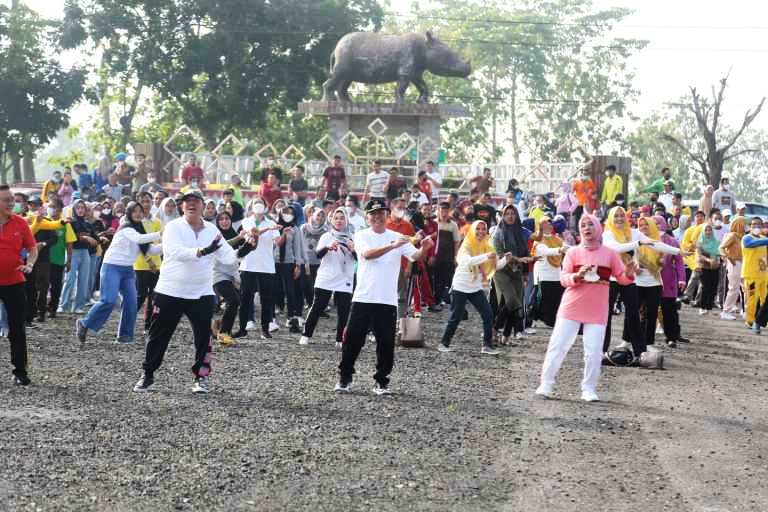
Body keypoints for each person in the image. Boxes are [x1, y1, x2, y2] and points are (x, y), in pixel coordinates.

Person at [133, 190, 238, 394]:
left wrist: (247, 248)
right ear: (182, 206)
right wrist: (203, 251)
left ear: (202, 206)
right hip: (170, 290)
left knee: (203, 338)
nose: (191, 204)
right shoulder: (173, 227)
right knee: (158, 336)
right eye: (187, 201)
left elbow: (227, 257)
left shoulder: (211, 230)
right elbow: (174, 252)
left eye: (196, 201)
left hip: (201, 292)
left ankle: (201, 377)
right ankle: (148, 374)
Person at [335, 199, 433, 394]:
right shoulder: (362, 235)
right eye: (373, 213)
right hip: (363, 296)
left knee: (386, 343)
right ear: (368, 217)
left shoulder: (397, 236)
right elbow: (367, 255)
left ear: (386, 215)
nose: (378, 217)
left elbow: (416, 256)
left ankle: (381, 381)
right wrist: (392, 246)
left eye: (381, 213)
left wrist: (426, 247)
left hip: (387, 299)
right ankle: (345, 378)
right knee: (353, 340)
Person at [535, 214, 637, 402]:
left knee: (593, 351)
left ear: (598, 228)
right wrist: (577, 276)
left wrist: (629, 274)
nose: (587, 228)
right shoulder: (573, 252)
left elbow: (622, 278)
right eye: (583, 225)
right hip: (571, 307)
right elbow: (563, 279)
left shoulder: (610, 254)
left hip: (597, 309)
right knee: (558, 347)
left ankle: (588, 388)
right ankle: (546, 384)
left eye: (591, 224)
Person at [75, 202, 162, 344]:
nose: (138, 213)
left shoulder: (140, 230)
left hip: (128, 270)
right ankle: (84, 324)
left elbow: (151, 250)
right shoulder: (126, 228)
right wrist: (161, 234)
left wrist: (169, 243)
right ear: (128, 213)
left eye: (140, 211)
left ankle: (125, 336)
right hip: (112, 267)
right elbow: (139, 239)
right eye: (134, 211)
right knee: (108, 300)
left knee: (131, 302)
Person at [602, 206, 681, 358]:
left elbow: (653, 243)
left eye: (621, 215)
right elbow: (616, 249)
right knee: (606, 315)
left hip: (629, 279)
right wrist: (638, 243)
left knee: (633, 314)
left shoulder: (633, 233)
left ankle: (640, 351)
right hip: (611, 279)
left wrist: (677, 251)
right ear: (611, 218)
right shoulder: (608, 234)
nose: (619, 218)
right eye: (616, 216)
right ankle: (602, 350)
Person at [438, 220, 508, 354]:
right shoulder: (466, 245)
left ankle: (487, 345)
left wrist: (506, 260)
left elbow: (495, 266)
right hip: (461, 285)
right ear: (473, 230)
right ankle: (444, 343)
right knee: (456, 316)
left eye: (484, 229)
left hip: (475, 287)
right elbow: (467, 261)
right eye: (478, 229)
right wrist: (487, 256)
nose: (481, 232)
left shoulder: (487, 245)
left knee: (488, 314)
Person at [299, 207, 356, 347]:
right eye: (336, 218)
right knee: (318, 305)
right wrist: (328, 247)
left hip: (345, 277)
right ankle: (306, 335)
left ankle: (339, 339)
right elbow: (318, 255)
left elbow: (358, 258)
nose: (339, 221)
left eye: (342, 218)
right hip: (327, 276)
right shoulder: (326, 236)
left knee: (343, 309)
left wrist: (352, 249)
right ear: (331, 220)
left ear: (346, 220)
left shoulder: (353, 237)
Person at [0, 185, 38, 385]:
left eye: (11, 200)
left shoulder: (20, 223)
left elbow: (32, 249)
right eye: (5, 200)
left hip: (14, 281)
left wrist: (29, 264)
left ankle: (20, 371)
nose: (10, 203)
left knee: (17, 328)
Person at [235, 199, 281, 339]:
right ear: (252, 206)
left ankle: (265, 329)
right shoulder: (247, 221)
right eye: (256, 203)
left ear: (266, 207)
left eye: (261, 203)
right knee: (245, 298)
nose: (259, 205)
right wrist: (268, 229)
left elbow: (277, 240)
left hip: (266, 266)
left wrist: (281, 236)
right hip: (248, 265)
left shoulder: (272, 223)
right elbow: (254, 233)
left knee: (266, 299)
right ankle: (242, 328)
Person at [492, 204, 533, 344]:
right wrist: (519, 259)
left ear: (516, 216)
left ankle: (506, 336)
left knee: (514, 305)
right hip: (501, 271)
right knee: (512, 301)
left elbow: (525, 252)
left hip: (517, 271)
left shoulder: (520, 232)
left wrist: (526, 271)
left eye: (513, 213)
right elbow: (499, 254)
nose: (510, 216)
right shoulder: (498, 232)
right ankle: (495, 329)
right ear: (503, 216)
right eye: (507, 213)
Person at [653, 215, 689, 347]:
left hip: (668, 281)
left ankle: (672, 337)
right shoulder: (646, 240)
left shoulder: (672, 241)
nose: (656, 226)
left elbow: (679, 262)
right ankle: (645, 338)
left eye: (658, 223)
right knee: (647, 310)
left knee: (669, 310)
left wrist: (682, 279)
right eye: (653, 223)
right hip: (649, 280)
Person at [58, 199, 97, 314]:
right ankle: (63, 305)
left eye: (83, 208)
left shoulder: (88, 224)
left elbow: (95, 239)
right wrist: (84, 238)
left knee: (83, 280)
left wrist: (98, 239)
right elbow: (70, 238)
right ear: (74, 209)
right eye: (78, 208)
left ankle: (78, 306)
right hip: (73, 252)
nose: (80, 210)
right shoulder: (71, 222)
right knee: (69, 279)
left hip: (85, 253)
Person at [134, 192, 162, 335]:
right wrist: (149, 260)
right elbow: (140, 244)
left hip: (157, 263)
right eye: (143, 201)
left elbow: (160, 242)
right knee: (141, 295)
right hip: (141, 264)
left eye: (148, 201)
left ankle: (148, 324)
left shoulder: (157, 222)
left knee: (154, 296)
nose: (146, 204)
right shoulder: (137, 223)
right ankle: (128, 320)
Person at [532, 216, 568, 328]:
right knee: (541, 299)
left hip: (556, 273)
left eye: (550, 223)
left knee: (556, 298)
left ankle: (551, 320)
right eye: (546, 222)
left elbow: (567, 248)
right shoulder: (538, 238)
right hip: (543, 274)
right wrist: (559, 250)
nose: (549, 224)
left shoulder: (557, 239)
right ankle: (530, 319)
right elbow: (544, 251)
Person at [273, 205, 304, 333]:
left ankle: (290, 316)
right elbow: (273, 244)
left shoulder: (295, 229)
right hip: (274, 261)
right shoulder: (275, 227)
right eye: (285, 212)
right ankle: (272, 318)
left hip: (288, 262)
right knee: (274, 289)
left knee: (290, 290)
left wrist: (298, 265)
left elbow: (297, 247)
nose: (287, 215)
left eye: (290, 213)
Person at [741, 217, 768, 334]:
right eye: (754, 225)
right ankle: (750, 321)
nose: (756, 227)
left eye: (759, 225)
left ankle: (763, 320)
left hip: (764, 274)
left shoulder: (764, 238)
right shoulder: (746, 238)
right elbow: (750, 244)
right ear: (750, 227)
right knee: (752, 299)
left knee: (765, 299)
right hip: (750, 275)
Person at [431, 202, 461, 306]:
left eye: (446, 211)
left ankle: (439, 299)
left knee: (445, 278)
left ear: (449, 212)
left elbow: (457, 241)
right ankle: (434, 299)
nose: (444, 213)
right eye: (442, 211)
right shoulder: (434, 223)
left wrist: (455, 257)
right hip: (435, 255)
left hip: (448, 256)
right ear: (438, 211)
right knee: (434, 278)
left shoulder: (453, 225)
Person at [719, 216, 746, 319]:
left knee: (745, 288)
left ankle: (745, 311)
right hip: (734, 263)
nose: (745, 226)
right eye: (743, 224)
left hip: (743, 264)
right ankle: (726, 311)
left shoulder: (742, 237)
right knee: (733, 288)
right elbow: (721, 248)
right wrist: (728, 258)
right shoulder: (733, 236)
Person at [696, 224, 721, 316]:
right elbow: (699, 255)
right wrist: (708, 260)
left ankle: (709, 307)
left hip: (715, 267)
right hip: (704, 266)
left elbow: (719, 253)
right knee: (705, 287)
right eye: (706, 230)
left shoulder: (716, 242)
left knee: (713, 287)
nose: (708, 232)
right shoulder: (700, 242)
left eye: (710, 230)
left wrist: (718, 259)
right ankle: (702, 307)